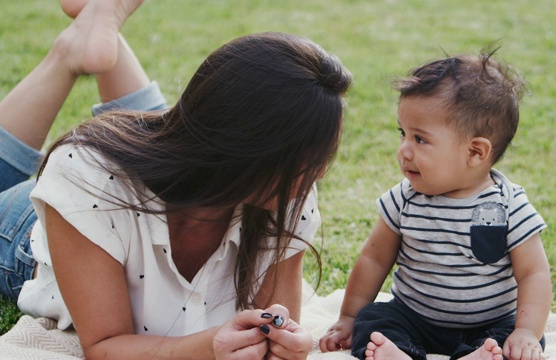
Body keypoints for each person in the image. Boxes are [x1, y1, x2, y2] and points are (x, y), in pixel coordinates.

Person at [0, 0, 352, 358]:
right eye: (311, 161)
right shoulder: (82, 179)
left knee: (173, 141)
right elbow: (104, 346)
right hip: (37, 234)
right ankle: (68, 55)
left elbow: (277, 322)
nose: (319, 173)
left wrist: (281, 343)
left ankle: (97, 31)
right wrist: (209, 347)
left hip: (176, 175)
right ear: (251, 151)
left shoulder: (285, 195)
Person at [319, 48, 552, 360]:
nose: (404, 150)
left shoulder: (508, 205)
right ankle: (398, 353)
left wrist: (526, 331)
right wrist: (349, 317)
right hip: (414, 317)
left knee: (513, 343)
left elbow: (533, 273)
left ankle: (481, 354)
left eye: (420, 139)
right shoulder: (404, 198)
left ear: (475, 152)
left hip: (489, 323)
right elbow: (374, 259)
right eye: (403, 133)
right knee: (374, 320)